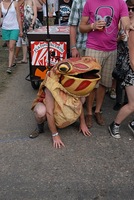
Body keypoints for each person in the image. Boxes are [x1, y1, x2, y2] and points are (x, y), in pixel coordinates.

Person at [79, 0, 130, 128]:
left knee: (104, 84)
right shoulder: (90, 2)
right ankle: (89, 113)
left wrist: (128, 27)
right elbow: (81, 27)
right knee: (92, 83)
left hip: (111, 50)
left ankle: (97, 110)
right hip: (93, 48)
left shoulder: (120, 3)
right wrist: (93, 26)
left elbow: (125, 22)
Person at [29, 57, 98, 148]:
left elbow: (79, 103)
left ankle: (69, 119)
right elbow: (49, 112)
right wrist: (55, 135)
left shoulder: (76, 82)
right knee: (40, 111)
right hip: (51, 109)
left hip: (63, 106)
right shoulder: (52, 84)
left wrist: (82, 123)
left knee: (82, 99)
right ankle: (40, 127)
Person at [108, 0, 134, 139]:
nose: (130, 11)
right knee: (131, 104)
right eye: (129, 8)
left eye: (133, 9)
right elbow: (132, 58)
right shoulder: (129, 29)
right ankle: (115, 124)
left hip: (129, 68)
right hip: (129, 69)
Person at [0, 0, 23, 74]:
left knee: (11, 47)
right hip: (5, 28)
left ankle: (9, 67)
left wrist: (21, 30)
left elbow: (19, 17)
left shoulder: (15, 3)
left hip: (14, 27)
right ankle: (13, 61)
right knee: (9, 46)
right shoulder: (1, 4)